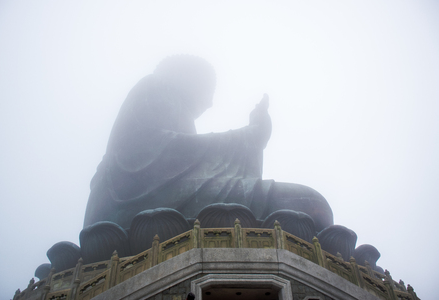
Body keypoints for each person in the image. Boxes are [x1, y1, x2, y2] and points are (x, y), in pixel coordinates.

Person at [83, 55, 333, 233]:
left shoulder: (170, 103)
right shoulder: (155, 88)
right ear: (186, 77)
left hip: (171, 198)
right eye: (207, 89)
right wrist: (248, 137)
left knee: (313, 207)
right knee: (311, 206)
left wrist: (252, 142)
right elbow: (158, 161)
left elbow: (189, 168)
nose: (211, 102)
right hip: (134, 209)